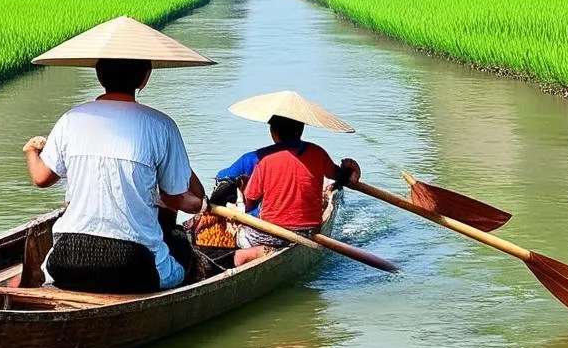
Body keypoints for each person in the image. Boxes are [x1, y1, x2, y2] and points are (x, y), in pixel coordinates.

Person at [23, 16, 216, 293]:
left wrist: (31, 151)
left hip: (65, 260)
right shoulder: (161, 125)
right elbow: (175, 198)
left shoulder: (71, 119)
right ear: (145, 78)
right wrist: (200, 205)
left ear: (99, 75)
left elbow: (41, 177)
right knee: (181, 247)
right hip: (132, 265)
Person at [232, 113, 361, 266]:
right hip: (310, 232)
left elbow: (250, 201)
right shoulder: (318, 153)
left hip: (272, 236)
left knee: (239, 235)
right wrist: (351, 169)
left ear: (273, 133)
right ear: (301, 130)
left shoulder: (266, 160)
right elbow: (341, 177)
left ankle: (259, 251)